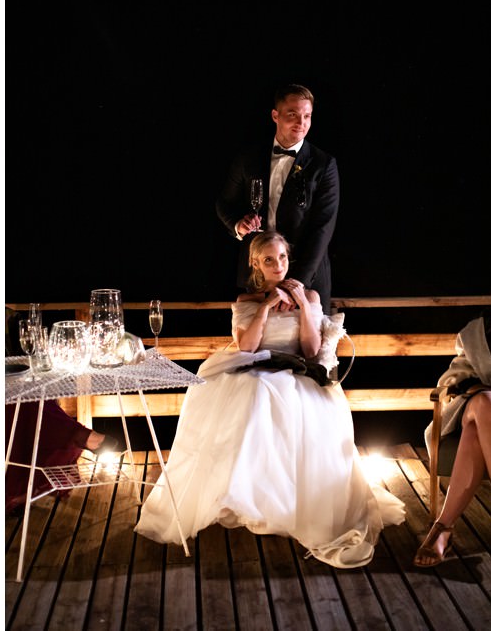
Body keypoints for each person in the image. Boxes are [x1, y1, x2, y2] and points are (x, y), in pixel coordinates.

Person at [136, 230, 403, 566]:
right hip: (257, 367)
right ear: (255, 264)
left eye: (282, 257)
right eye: (269, 260)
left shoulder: (310, 295)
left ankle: (291, 504)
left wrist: (303, 304)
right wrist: (265, 307)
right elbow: (247, 347)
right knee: (255, 393)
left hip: (297, 369)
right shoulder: (247, 300)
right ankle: (250, 497)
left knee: (290, 398)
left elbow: (310, 349)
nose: (278, 265)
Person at [215, 83, 339, 301]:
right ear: (275, 115)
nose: (301, 123)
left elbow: (323, 229)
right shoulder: (248, 158)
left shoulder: (324, 164)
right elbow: (225, 203)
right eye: (293, 114)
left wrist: (297, 284)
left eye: (307, 116)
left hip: (306, 281)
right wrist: (237, 225)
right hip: (258, 277)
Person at [417, 308, 491, 567]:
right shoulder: (480, 331)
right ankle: (442, 529)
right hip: (479, 404)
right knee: (486, 401)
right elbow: (456, 377)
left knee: (473, 434)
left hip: (478, 423)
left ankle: (443, 527)